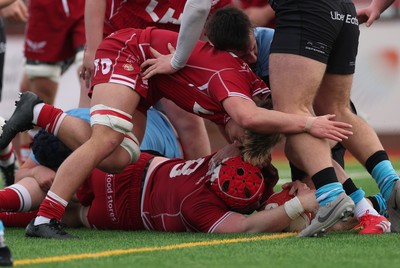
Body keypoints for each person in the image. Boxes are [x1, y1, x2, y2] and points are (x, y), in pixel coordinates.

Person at [0, 7, 353, 238]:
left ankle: (35, 112)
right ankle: (45, 218)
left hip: (149, 79)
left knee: (118, 157)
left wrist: (353, 200)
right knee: (107, 141)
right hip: (127, 51)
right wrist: (307, 124)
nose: (235, 147)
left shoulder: (247, 98)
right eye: (241, 140)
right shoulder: (232, 85)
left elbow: (248, 122)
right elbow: (248, 117)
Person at [0, 125, 318, 237]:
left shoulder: (221, 159)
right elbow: (253, 223)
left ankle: (16, 183)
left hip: (131, 170)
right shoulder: (204, 209)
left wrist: (299, 197)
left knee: (55, 186)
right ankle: (16, 190)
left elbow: (246, 141)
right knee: (71, 216)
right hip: (119, 213)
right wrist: (296, 204)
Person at [266, 0, 399, 237]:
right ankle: (391, 185)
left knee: (293, 110)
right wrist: (377, 7)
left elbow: (200, 7)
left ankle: (330, 197)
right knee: (339, 109)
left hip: (305, 11)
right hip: (344, 11)